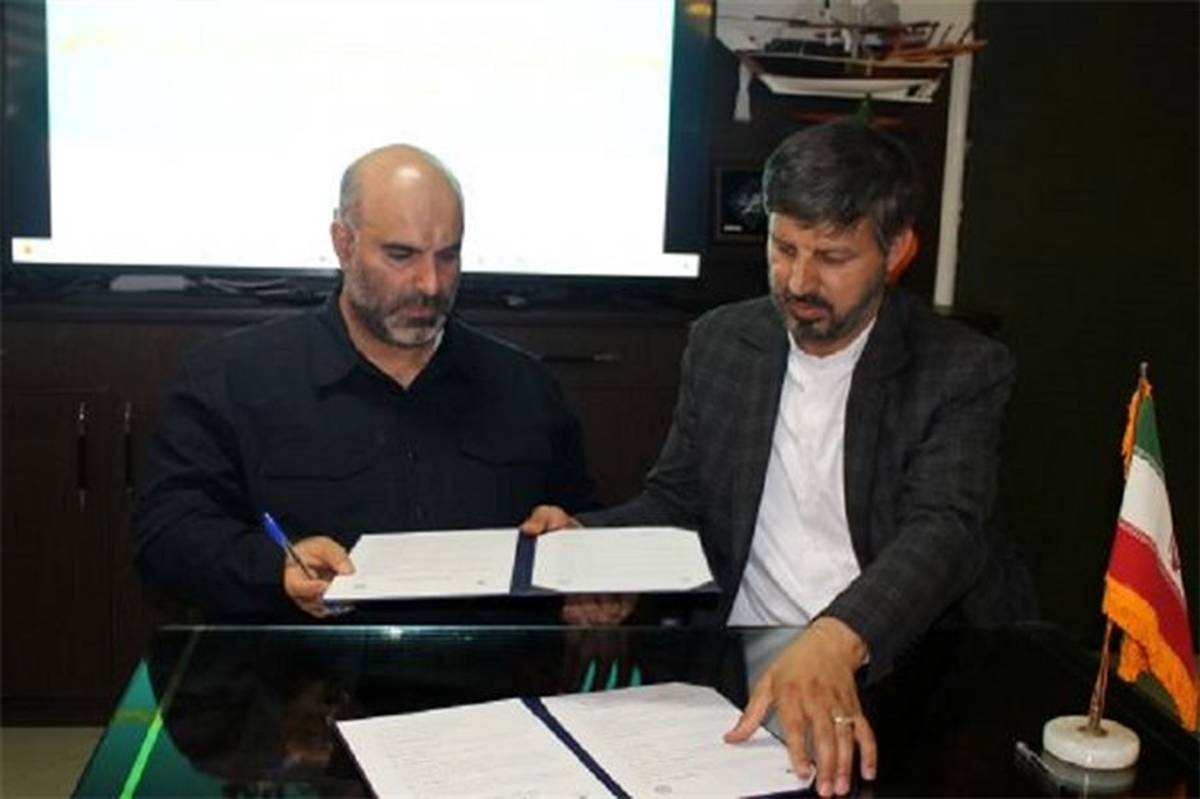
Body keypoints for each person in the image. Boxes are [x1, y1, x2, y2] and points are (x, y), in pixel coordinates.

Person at [522, 120, 1034, 797]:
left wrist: (837, 636)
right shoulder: (723, 341)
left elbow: (945, 528)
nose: (798, 280)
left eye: (832, 256)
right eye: (784, 247)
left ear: (897, 250)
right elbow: (678, 498)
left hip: (903, 659)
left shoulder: (959, 368)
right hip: (744, 652)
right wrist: (593, 542)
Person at [135, 144, 595, 622]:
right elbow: (166, 539)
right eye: (401, 255)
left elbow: (580, 523)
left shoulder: (525, 386)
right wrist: (275, 569)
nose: (431, 284)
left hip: (491, 665)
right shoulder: (232, 379)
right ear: (343, 244)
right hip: (301, 664)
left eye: (448, 256)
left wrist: (576, 551)